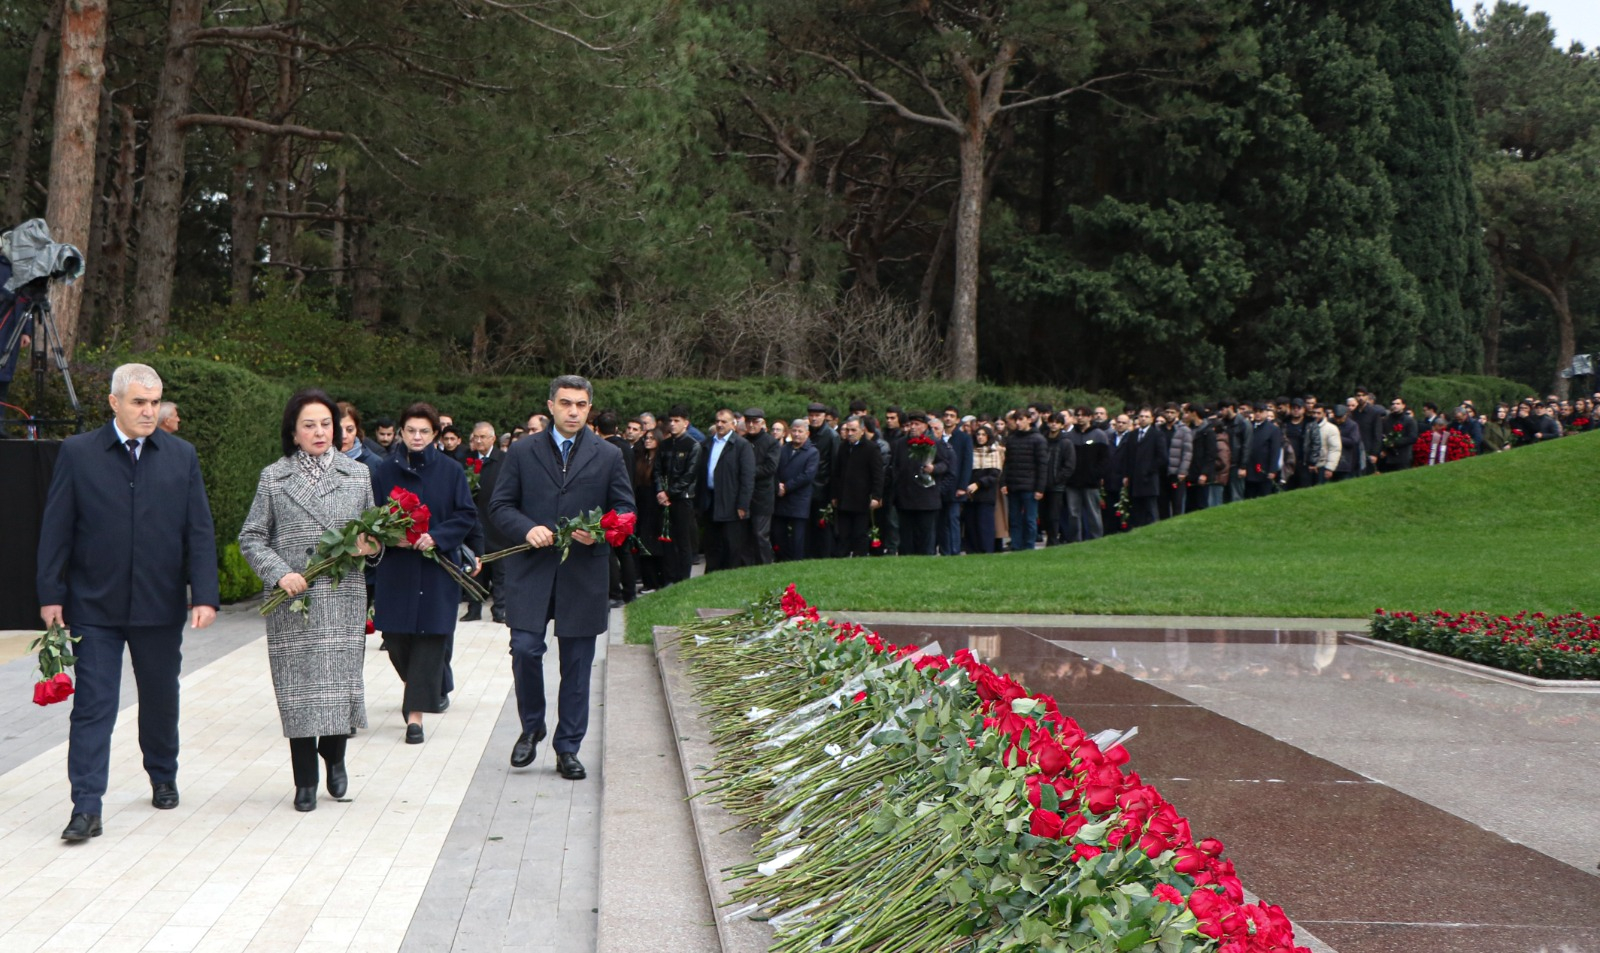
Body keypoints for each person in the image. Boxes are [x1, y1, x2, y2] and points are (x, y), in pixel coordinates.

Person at [37, 362, 220, 843]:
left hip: (159, 605)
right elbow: (56, 527)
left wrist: (204, 594)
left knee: (160, 698)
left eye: (155, 402)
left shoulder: (181, 456)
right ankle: (86, 806)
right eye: (139, 402)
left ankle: (162, 774)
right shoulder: (78, 453)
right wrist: (51, 593)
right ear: (114, 402)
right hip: (94, 606)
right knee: (93, 705)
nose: (148, 411)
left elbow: (199, 531)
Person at [238, 389, 377, 812]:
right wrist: (280, 573)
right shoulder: (273, 477)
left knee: (338, 684)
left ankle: (334, 755)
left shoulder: (358, 475)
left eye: (326, 424)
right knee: (298, 690)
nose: (319, 432)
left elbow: (374, 535)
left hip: (341, 594)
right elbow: (251, 537)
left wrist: (370, 546)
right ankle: (304, 780)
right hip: (292, 598)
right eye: (309, 425)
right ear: (293, 433)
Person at [490, 375, 634, 780]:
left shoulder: (608, 454)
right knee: (525, 650)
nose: (573, 411)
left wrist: (601, 530)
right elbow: (499, 505)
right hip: (531, 570)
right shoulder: (522, 451)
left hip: (583, 573)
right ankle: (532, 726)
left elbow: (625, 509)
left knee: (577, 665)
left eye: (581, 404)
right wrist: (526, 528)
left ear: (590, 408)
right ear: (550, 405)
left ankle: (568, 747)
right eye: (566, 403)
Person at [369, 403, 477, 745]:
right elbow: (371, 516)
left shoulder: (451, 470)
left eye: (424, 431)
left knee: (431, 638)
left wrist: (438, 537)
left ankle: (414, 716)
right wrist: (389, 536)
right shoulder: (384, 471)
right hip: (396, 568)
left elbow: (465, 514)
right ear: (401, 432)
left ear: (435, 435)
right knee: (396, 639)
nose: (417, 437)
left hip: (436, 568)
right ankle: (429, 685)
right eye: (411, 431)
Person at [464, 421, 509, 623]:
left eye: (483, 437)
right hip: (474, 521)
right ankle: (473, 608)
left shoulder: (504, 460)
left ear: (493, 438)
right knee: (475, 567)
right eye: (476, 437)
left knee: (500, 570)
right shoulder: (467, 460)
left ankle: (500, 609)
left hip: (497, 523)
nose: (479, 440)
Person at [700, 408, 754, 572]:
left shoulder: (741, 445)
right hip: (710, 499)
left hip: (731, 501)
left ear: (733, 424)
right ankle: (711, 575)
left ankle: (730, 575)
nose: (719, 424)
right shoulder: (707, 443)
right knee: (712, 543)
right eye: (717, 421)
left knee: (731, 544)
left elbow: (747, 477)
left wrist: (743, 504)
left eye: (724, 421)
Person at [655, 406, 701, 584]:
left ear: (685, 423)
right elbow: (657, 470)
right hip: (664, 498)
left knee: (683, 541)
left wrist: (669, 493)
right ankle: (669, 576)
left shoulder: (692, 445)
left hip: (683, 499)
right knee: (667, 540)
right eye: (671, 421)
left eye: (677, 421)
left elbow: (689, 475)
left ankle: (683, 578)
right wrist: (660, 491)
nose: (672, 424)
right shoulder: (664, 445)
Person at [829, 416, 884, 557]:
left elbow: (878, 475)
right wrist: (834, 495)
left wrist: (876, 496)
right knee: (843, 532)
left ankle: (860, 556)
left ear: (862, 430)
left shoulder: (871, 448)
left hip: (862, 497)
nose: (850, 433)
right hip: (844, 496)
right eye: (847, 430)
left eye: (853, 430)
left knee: (860, 532)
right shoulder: (843, 447)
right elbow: (837, 473)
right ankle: (842, 556)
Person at [774, 418, 818, 562]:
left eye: (800, 431)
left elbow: (807, 475)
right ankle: (784, 559)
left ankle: (796, 561)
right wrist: (778, 485)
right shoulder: (783, 449)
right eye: (794, 431)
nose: (797, 434)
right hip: (781, 499)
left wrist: (787, 487)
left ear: (807, 433)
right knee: (778, 533)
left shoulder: (812, 452)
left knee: (797, 536)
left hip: (799, 499)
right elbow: (775, 469)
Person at [965, 425, 1003, 553]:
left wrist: (979, 484)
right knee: (971, 524)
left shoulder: (993, 452)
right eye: (978, 434)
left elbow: (995, 475)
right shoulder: (971, 451)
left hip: (986, 493)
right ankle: (972, 551)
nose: (980, 437)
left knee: (984, 524)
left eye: (983, 435)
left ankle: (986, 550)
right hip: (970, 494)